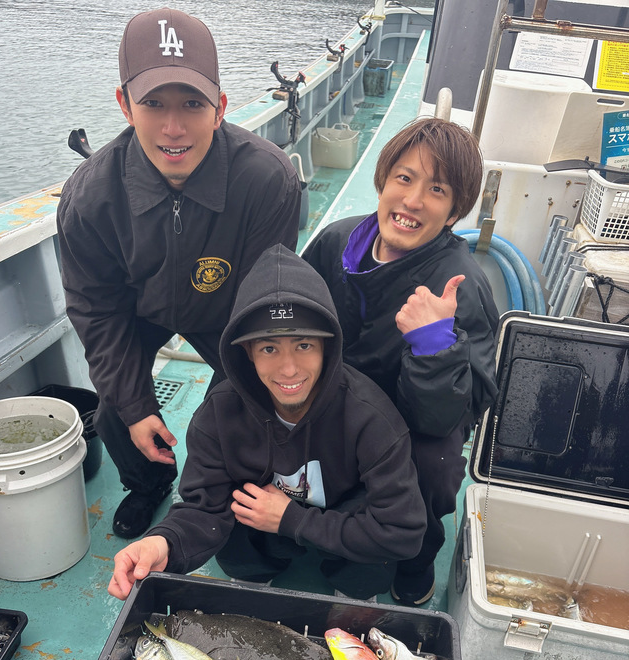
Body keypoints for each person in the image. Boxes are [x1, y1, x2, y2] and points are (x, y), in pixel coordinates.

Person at [57, 8, 302, 540]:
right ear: (124, 104)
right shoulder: (89, 197)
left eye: (192, 103)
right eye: (153, 104)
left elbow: (265, 303)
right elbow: (97, 311)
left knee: (242, 407)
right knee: (117, 407)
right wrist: (136, 406)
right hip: (138, 310)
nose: (173, 128)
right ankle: (148, 484)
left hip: (229, 313)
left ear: (220, 108)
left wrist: (224, 411)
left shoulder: (268, 180)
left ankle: (221, 495)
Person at [108, 244, 426, 601]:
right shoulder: (217, 414)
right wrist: (162, 542)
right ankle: (255, 574)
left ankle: (352, 587)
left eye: (304, 345)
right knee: (237, 520)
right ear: (247, 352)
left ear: (327, 346)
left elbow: (403, 531)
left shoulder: (371, 417)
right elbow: (203, 508)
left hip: (340, 516)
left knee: (369, 568)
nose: (288, 369)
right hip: (263, 517)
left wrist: (294, 520)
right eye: (269, 348)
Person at [302, 116, 499, 607]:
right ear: (383, 181)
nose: (412, 201)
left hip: (410, 420)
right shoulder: (334, 242)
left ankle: (414, 556)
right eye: (404, 178)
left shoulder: (462, 285)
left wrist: (434, 346)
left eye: (437, 190)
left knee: (435, 465)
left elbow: (453, 415)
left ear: (454, 212)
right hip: (329, 401)